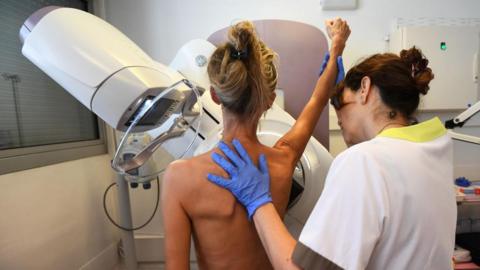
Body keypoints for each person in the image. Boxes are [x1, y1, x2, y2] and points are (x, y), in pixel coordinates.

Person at [208, 47, 457, 269]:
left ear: (365, 88)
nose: (336, 111)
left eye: (340, 103)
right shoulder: (434, 149)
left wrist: (259, 201)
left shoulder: (364, 162)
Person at [161, 19, 350, 269]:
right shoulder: (283, 161)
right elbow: (317, 101)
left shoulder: (179, 177)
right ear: (270, 101)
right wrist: (337, 43)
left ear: (215, 96)